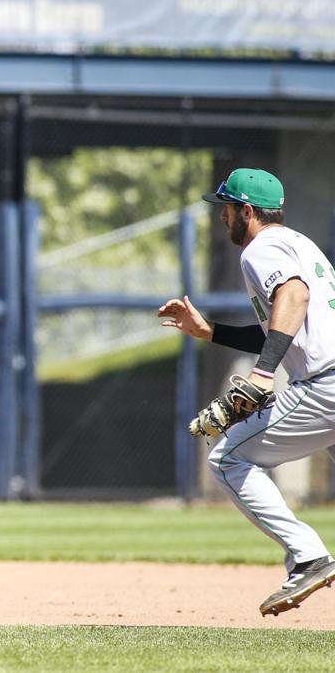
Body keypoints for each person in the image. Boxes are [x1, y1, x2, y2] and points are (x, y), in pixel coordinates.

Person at [158, 168, 335, 617]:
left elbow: (292, 298)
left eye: (227, 209)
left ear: (248, 211)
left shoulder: (261, 248)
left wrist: (262, 376)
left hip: (324, 385)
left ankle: (309, 556)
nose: (223, 219)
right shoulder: (301, 244)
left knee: (228, 459)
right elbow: (286, 327)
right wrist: (209, 331)